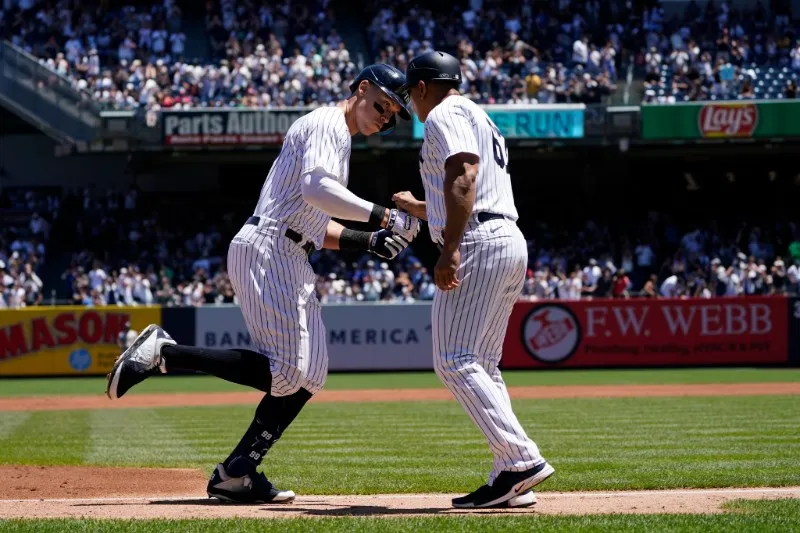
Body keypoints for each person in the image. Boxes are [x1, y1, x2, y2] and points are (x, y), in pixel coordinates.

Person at [105, 64, 421, 504]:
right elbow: (317, 190)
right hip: (269, 248)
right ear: (361, 88)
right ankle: (165, 353)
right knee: (288, 372)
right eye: (382, 105)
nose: (385, 117)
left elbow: (313, 222)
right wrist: (384, 216)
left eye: (391, 115)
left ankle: (236, 472)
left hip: (290, 250)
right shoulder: (328, 123)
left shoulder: (338, 137)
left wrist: (368, 241)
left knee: (310, 375)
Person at [392, 50, 554, 509]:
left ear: (423, 87)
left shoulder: (444, 113)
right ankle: (509, 472)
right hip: (505, 236)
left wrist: (449, 250)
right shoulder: (478, 115)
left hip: (478, 240)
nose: (411, 102)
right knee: (482, 363)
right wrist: (422, 208)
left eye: (410, 93)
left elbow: (464, 178)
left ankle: (520, 459)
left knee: (454, 360)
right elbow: (464, 191)